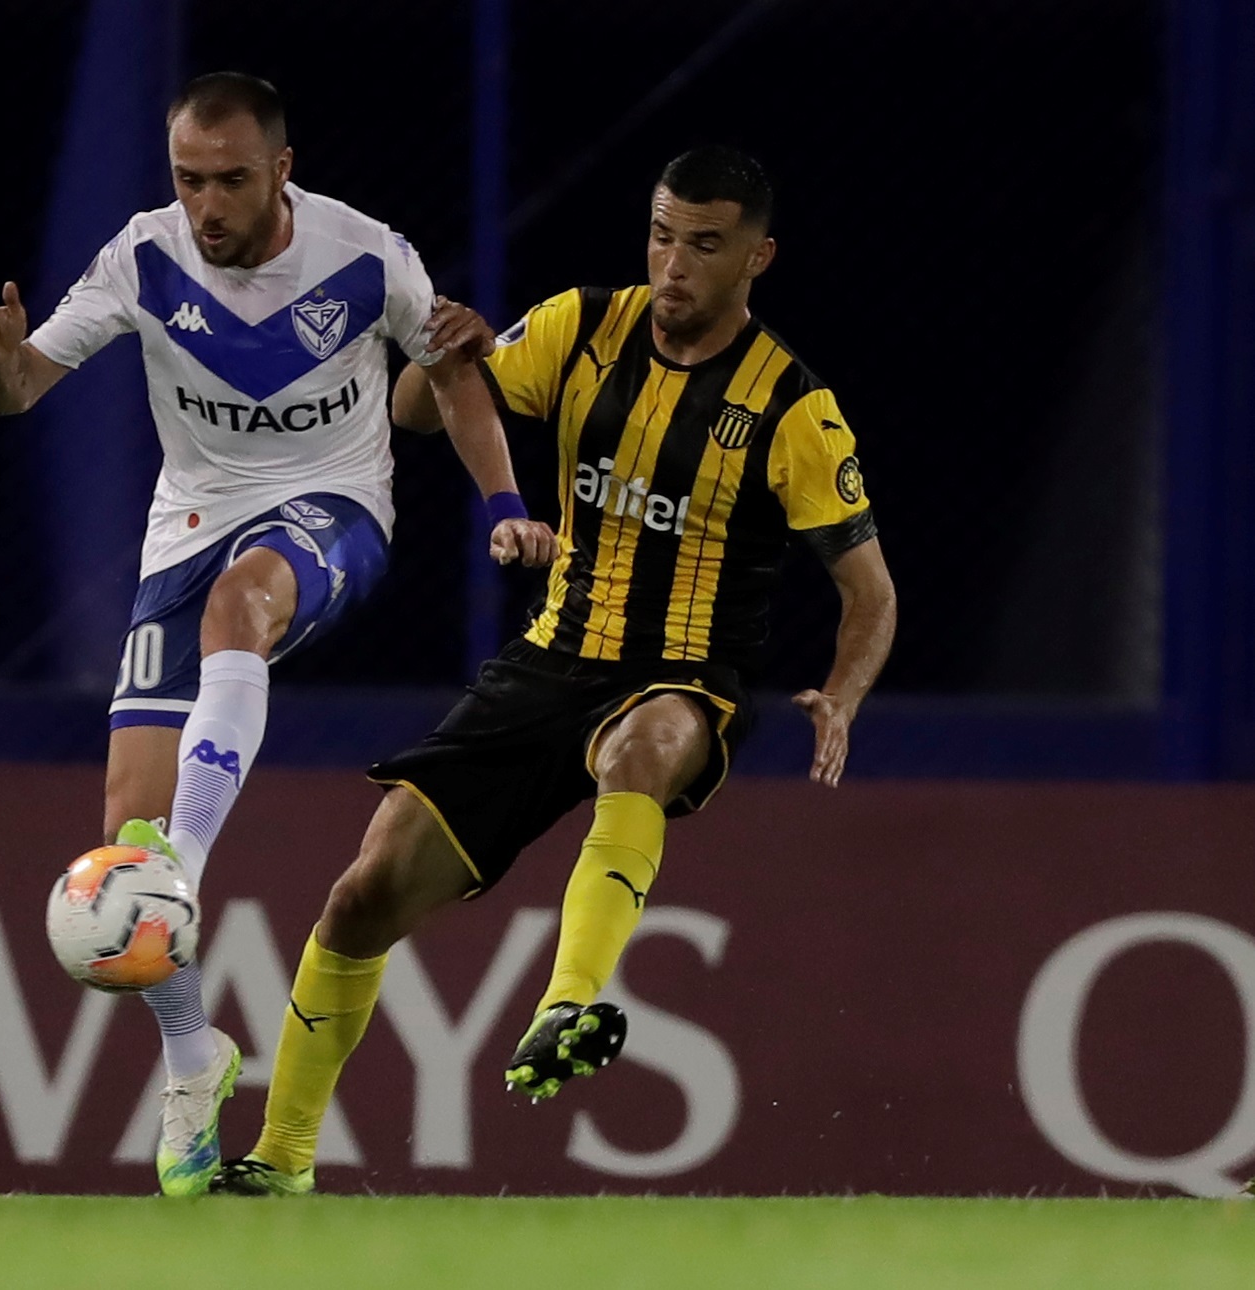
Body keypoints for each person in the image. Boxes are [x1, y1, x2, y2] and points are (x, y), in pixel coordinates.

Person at [212, 145, 899, 1195]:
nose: (675, 265)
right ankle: (280, 1161)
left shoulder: (793, 408)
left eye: (705, 247)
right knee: (363, 895)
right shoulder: (583, 324)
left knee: (647, 745)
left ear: (757, 258)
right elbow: (412, 410)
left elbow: (870, 590)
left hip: (682, 667)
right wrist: (451, 355)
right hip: (548, 660)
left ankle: (566, 1003)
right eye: (664, 236)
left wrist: (842, 694)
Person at [0, 71, 555, 1197]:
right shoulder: (142, 254)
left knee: (239, 620)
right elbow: (24, 389)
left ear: (281, 169)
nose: (207, 205)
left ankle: (191, 866)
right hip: (188, 522)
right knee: (124, 821)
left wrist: (505, 508)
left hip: (335, 510)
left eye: (230, 180)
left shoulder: (366, 254)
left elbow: (453, 371)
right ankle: (193, 1056)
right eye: (188, 180)